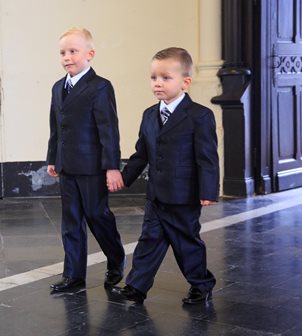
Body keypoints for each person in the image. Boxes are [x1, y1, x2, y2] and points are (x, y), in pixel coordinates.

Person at [115, 47, 219, 304]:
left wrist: (208, 191)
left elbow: (207, 157)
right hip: (156, 195)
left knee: (186, 243)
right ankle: (136, 286)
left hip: (184, 196)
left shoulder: (200, 116)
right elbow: (142, 153)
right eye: (153, 78)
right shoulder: (149, 115)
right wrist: (124, 177)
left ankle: (202, 284)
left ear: (185, 82)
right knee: (149, 241)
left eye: (165, 78)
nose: (158, 83)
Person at [46, 27, 125, 292]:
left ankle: (116, 259)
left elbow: (108, 129)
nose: (67, 57)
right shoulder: (58, 87)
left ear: (89, 54)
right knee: (71, 221)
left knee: (96, 215)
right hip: (67, 165)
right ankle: (73, 276)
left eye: (73, 51)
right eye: (62, 52)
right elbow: (56, 127)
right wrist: (52, 158)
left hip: (92, 167)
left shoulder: (100, 87)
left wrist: (112, 166)